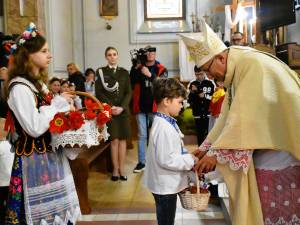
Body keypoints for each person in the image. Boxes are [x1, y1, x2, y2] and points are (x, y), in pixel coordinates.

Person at [180, 20, 300, 225]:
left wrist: (215, 155)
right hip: (268, 147)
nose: (210, 76)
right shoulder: (239, 66)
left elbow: (247, 119)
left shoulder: (251, 65)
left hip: (280, 150)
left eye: (209, 70)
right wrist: (206, 147)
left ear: (220, 57)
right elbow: (229, 116)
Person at [4, 23, 81, 225]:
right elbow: (34, 127)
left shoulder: (38, 84)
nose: (49, 55)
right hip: (33, 163)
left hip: (50, 159)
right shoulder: (19, 87)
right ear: (29, 55)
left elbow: (52, 117)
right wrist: (57, 103)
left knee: (58, 217)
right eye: (44, 51)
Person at [143, 78, 198, 225]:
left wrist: (187, 154)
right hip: (164, 187)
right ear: (167, 101)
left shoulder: (165, 121)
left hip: (165, 184)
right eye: (179, 102)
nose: (182, 106)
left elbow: (174, 148)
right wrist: (191, 160)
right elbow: (167, 160)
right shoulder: (164, 127)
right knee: (166, 221)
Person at [95, 46, 132, 181]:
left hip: (122, 111)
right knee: (114, 140)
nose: (112, 57)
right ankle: (115, 170)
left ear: (118, 56)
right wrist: (111, 107)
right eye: (109, 55)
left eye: (114, 54)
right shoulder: (100, 72)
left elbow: (129, 92)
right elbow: (99, 92)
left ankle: (122, 168)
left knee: (122, 140)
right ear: (106, 57)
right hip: (109, 111)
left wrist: (121, 107)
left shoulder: (124, 73)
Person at [130, 45, 168, 173]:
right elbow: (132, 81)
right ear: (145, 55)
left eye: (153, 52)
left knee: (155, 135)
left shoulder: (160, 68)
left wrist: (149, 75)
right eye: (148, 52)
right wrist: (136, 68)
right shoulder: (138, 67)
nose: (151, 54)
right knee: (142, 135)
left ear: (155, 54)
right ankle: (142, 162)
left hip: (155, 107)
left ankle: (156, 162)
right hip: (140, 106)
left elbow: (163, 85)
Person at [188, 66, 215, 145]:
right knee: (200, 135)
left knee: (209, 134)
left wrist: (205, 96)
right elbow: (189, 100)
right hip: (197, 113)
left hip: (208, 113)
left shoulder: (210, 83)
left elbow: (214, 97)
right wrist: (192, 93)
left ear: (204, 72)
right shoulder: (192, 83)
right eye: (197, 74)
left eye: (201, 74)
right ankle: (200, 152)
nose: (199, 76)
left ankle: (208, 152)